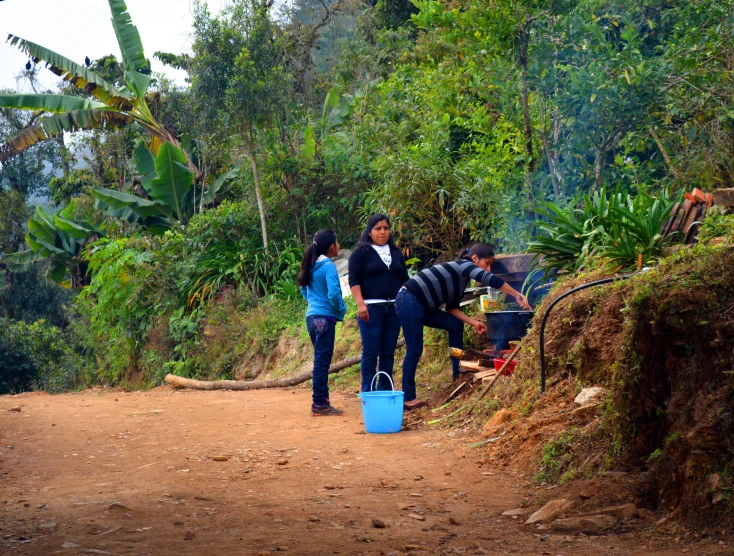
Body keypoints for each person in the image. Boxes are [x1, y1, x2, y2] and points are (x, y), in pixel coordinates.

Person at [395, 244, 530, 409]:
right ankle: (408, 398)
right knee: (415, 349)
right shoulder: (463, 265)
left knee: (455, 324)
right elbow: (491, 280)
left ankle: (457, 373)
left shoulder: (460, 280)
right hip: (408, 299)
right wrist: (516, 294)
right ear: (474, 259)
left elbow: (451, 308)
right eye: (486, 263)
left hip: (421, 305)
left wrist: (474, 322)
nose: (488, 269)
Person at [348, 214, 409, 393]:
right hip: (371, 309)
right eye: (378, 228)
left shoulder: (396, 252)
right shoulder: (360, 253)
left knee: (388, 351)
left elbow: (404, 279)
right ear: (369, 232)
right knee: (370, 351)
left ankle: (384, 389)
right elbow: (354, 280)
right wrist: (360, 304)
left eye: (386, 228)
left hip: (394, 309)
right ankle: (367, 391)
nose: (382, 232)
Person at [299, 229, 347, 416]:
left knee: (321, 361)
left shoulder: (311, 265)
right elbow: (334, 294)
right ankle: (319, 403)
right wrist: (340, 309)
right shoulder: (328, 266)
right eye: (337, 242)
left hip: (311, 318)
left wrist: (313, 303)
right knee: (321, 363)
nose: (339, 245)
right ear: (332, 246)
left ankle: (323, 401)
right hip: (324, 319)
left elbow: (303, 288)